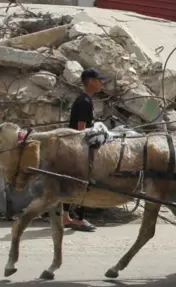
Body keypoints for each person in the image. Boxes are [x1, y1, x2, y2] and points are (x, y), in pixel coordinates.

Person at [62, 68, 105, 232]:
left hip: (75, 146)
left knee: (74, 182)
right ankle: (77, 219)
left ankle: (67, 217)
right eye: (99, 79)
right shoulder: (84, 101)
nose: (102, 82)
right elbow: (81, 130)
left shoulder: (86, 99)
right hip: (78, 148)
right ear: (91, 81)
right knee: (82, 182)